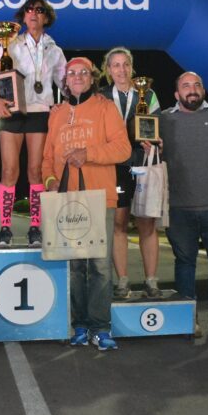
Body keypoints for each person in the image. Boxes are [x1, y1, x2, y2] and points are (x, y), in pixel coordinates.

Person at [42, 57, 131, 351]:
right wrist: (51, 180)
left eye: (83, 73)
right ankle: (80, 325)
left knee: (101, 266)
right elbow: (47, 157)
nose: (77, 77)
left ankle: (101, 327)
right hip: (66, 201)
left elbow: (122, 148)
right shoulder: (56, 114)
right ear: (65, 80)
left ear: (92, 79)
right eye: (72, 73)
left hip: (99, 198)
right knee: (76, 266)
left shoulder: (106, 108)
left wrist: (88, 153)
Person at [0, 0, 67, 246]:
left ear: (46, 17)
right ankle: (4, 228)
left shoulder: (55, 49)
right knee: (9, 171)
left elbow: (65, 83)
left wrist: (71, 103)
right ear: (23, 16)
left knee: (35, 171)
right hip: (12, 112)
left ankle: (35, 228)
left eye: (39, 10)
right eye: (29, 9)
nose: (33, 13)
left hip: (40, 112)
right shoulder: (11, 44)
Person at [160, 72, 208, 337]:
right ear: (176, 94)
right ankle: (187, 317)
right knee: (185, 263)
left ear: (203, 90)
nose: (192, 90)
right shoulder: (162, 119)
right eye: (185, 86)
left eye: (197, 85)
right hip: (179, 208)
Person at [99, 47, 162, 299]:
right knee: (119, 223)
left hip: (144, 163)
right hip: (116, 167)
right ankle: (123, 281)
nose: (121, 70)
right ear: (108, 69)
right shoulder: (101, 96)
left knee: (147, 223)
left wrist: (156, 140)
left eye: (125, 64)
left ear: (131, 67)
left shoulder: (148, 93)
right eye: (115, 65)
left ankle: (151, 281)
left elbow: (156, 128)